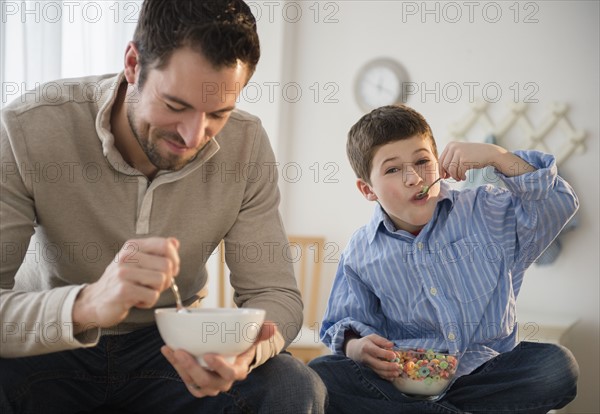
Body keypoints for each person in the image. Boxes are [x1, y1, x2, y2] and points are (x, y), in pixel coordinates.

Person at [0, 0, 326, 412]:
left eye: (218, 114)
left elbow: (275, 293)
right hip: (51, 343)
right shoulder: (28, 128)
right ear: (133, 64)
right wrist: (87, 304)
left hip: (174, 351)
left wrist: (243, 354)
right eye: (176, 106)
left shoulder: (246, 145)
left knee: (292, 385)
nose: (193, 136)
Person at [308, 104, 579, 413]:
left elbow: (559, 203)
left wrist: (498, 157)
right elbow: (342, 324)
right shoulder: (360, 251)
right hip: (402, 384)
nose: (413, 177)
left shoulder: (484, 210)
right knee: (323, 372)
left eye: (422, 161)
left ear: (438, 164)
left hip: (486, 377)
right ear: (367, 190)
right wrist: (356, 347)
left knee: (556, 367)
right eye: (393, 169)